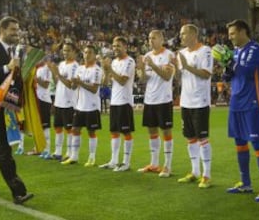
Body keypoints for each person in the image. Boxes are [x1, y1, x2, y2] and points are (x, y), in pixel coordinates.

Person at [0, 16, 33, 204]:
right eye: (12, 30)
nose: (16, 33)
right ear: (1, 30)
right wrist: (5, 68)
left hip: (9, 105)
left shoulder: (16, 52)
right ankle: (18, 191)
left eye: (17, 30)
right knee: (3, 148)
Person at [223, 19, 259, 202]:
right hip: (236, 103)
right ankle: (246, 183)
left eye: (233, 33)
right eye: (229, 34)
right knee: (240, 143)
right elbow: (231, 75)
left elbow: (247, 72)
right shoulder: (235, 52)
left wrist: (230, 62)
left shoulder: (255, 50)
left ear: (243, 31)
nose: (230, 37)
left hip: (252, 103)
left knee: (258, 145)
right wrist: (226, 69)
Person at [176, 24, 213, 188]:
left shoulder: (205, 51)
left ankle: (206, 175)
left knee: (202, 138)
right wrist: (175, 68)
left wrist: (187, 66)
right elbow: (179, 77)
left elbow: (206, 74)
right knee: (190, 138)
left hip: (200, 102)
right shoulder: (181, 53)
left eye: (183, 34)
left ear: (193, 34)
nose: (181, 37)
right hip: (186, 102)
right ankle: (195, 171)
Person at [136, 30, 175, 177]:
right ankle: (154, 163)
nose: (150, 40)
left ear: (161, 39)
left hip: (163, 99)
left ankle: (167, 166)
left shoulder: (169, 55)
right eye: (149, 38)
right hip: (149, 99)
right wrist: (141, 70)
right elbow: (143, 80)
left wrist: (152, 65)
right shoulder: (147, 56)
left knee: (166, 131)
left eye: (154, 38)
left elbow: (166, 76)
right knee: (152, 131)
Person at [61, 44, 103, 166]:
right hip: (80, 106)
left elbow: (94, 89)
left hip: (92, 106)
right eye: (85, 52)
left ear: (95, 55)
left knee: (91, 132)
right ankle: (74, 156)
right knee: (75, 130)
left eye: (90, 52)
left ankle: (91, 157)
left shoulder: (97, 70)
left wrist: (80, 82)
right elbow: (74, 87)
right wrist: (74, 83)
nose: (87, 55)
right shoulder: (79, 68)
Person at [99, 36, 136, 172]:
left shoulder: (129, 61)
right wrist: (105, 70)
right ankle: (114, 161)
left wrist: (110, 69)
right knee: (114, 131)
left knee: (126, 132)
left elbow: (122, 80)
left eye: (118, 46)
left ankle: (126, 162)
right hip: (114, 101)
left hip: (125, 101)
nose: (115, 49)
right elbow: (104, 83)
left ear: (125, 47)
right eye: (114, 46)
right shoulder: (113, 62)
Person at [48, 42, 79, 161]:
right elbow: (58, 83)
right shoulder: (61, 64)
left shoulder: (75, 66)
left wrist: (58, 74)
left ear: (74, 52)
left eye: (68, 50)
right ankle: (58, 152)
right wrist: (53, 72)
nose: (65, 53)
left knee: (69, 129)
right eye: (64, 50)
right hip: (59, 100)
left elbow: (71, 85)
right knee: (58, 127)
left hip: (69, 102)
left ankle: (70, 153)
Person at [35, 59, 53, 159]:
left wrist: (36, 79)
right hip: (38, 99)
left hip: (44, 99)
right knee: (41, 126)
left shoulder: (46, 68)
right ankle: (42, 149)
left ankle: (47, 150)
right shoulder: (38, 69)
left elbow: (46, 85)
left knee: (45, 126)